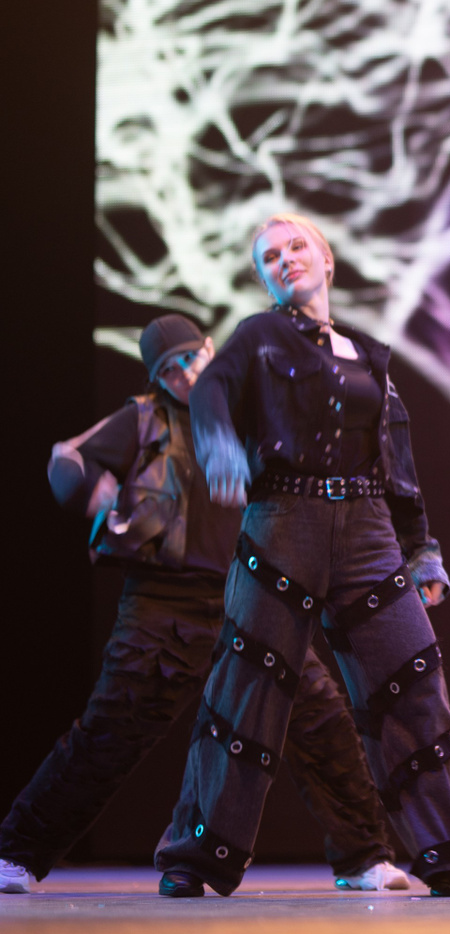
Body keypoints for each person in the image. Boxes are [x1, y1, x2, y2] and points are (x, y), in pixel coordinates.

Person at [0, 315, 406, 895]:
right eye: (171, 369)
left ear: (212, 349)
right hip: (163, 607)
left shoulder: (252, 415)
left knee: (321, 725)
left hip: (256, 599)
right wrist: (92, 490)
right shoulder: (146, 419)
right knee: (109, 734)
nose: (187, 375)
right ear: (157, 378)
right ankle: (16, 851)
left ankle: (363, 857)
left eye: (192, 359)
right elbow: (66, 458)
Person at [152, 213, 450, 897]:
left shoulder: (369, 355)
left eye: (296, 246)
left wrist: (421, 549)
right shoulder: (258, 336)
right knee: (247, 685)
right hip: (285, 521)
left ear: (327, 260)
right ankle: (194, 859)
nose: (286, 259)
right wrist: (219, 447)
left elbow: (396, 458)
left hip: (368, 529)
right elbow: (211, 389)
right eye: (270, 257)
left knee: (413, 682)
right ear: (264, 279)